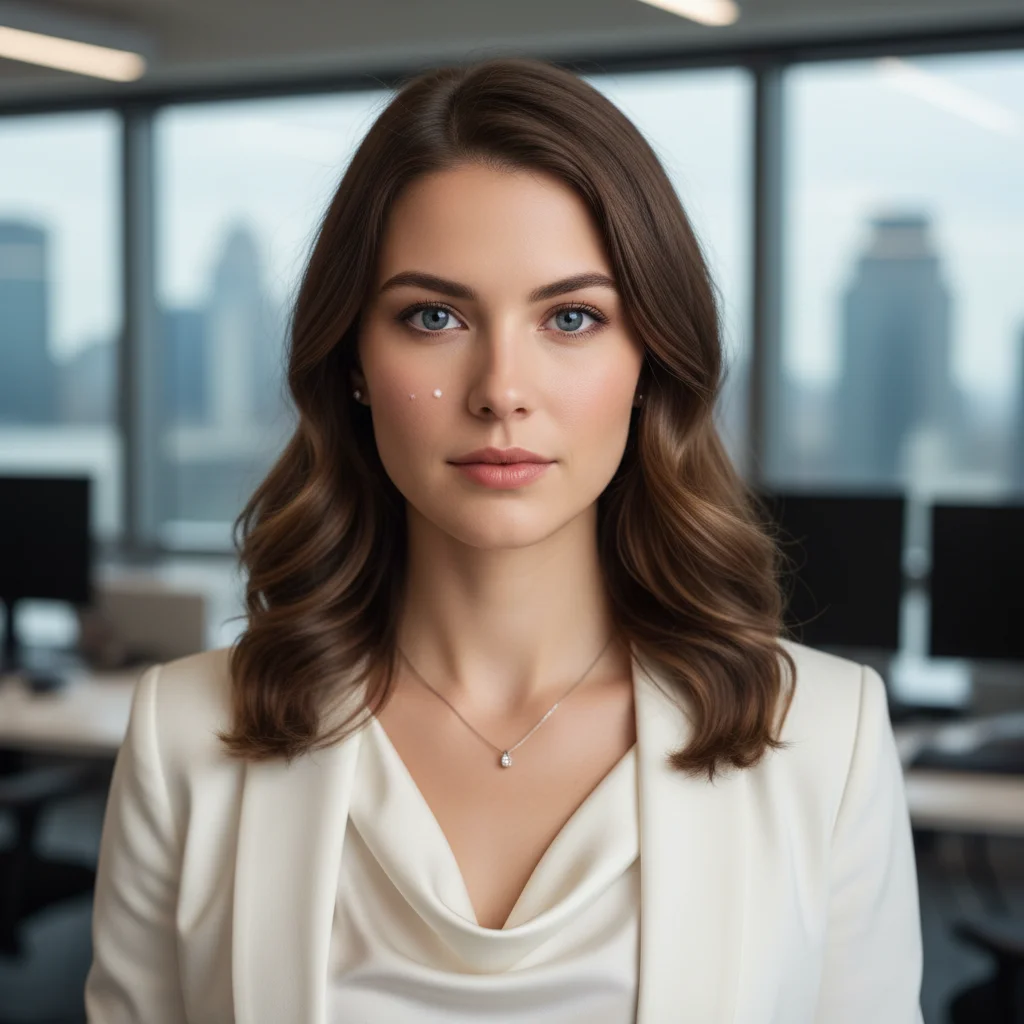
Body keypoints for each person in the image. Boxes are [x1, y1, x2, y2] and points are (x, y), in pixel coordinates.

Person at [84, 56, 924, 1023]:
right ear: (353, 360)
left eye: (571, 317)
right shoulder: (183, 737)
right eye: (433, 316)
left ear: (649, 361)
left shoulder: (827, 737)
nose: (501, 391)